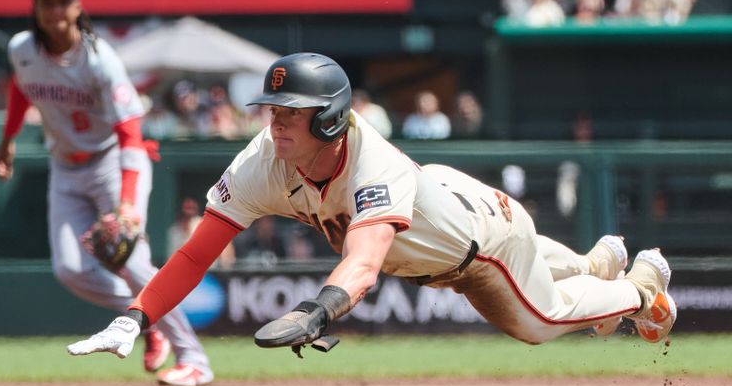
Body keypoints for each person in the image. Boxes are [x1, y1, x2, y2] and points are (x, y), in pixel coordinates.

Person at [67, 52, 676, 364]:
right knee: (546, 280)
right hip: (448, 205)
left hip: (481, 247)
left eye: (289, 112)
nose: (274, 122)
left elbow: (363, 262)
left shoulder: (370, 161)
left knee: (541, 322)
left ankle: (641, 285)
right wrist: (135, 317)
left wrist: (316, 312)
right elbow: (200, 250)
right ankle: (597, 263)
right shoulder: (265, 160)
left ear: (329, 118)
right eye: (272, 110)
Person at [0, 0, 213, 386]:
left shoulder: (99, 60)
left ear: (78, 6)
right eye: (47, 0)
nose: (55, 7)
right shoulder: (22, 48)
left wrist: (127, 202)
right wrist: (7, 141)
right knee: (71, 270)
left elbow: (130, 133)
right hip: (65, 167)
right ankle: (144, 317)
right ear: (35, 8)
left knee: (132, 261)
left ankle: (194, 359)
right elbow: (23, 87)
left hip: (113, 163)